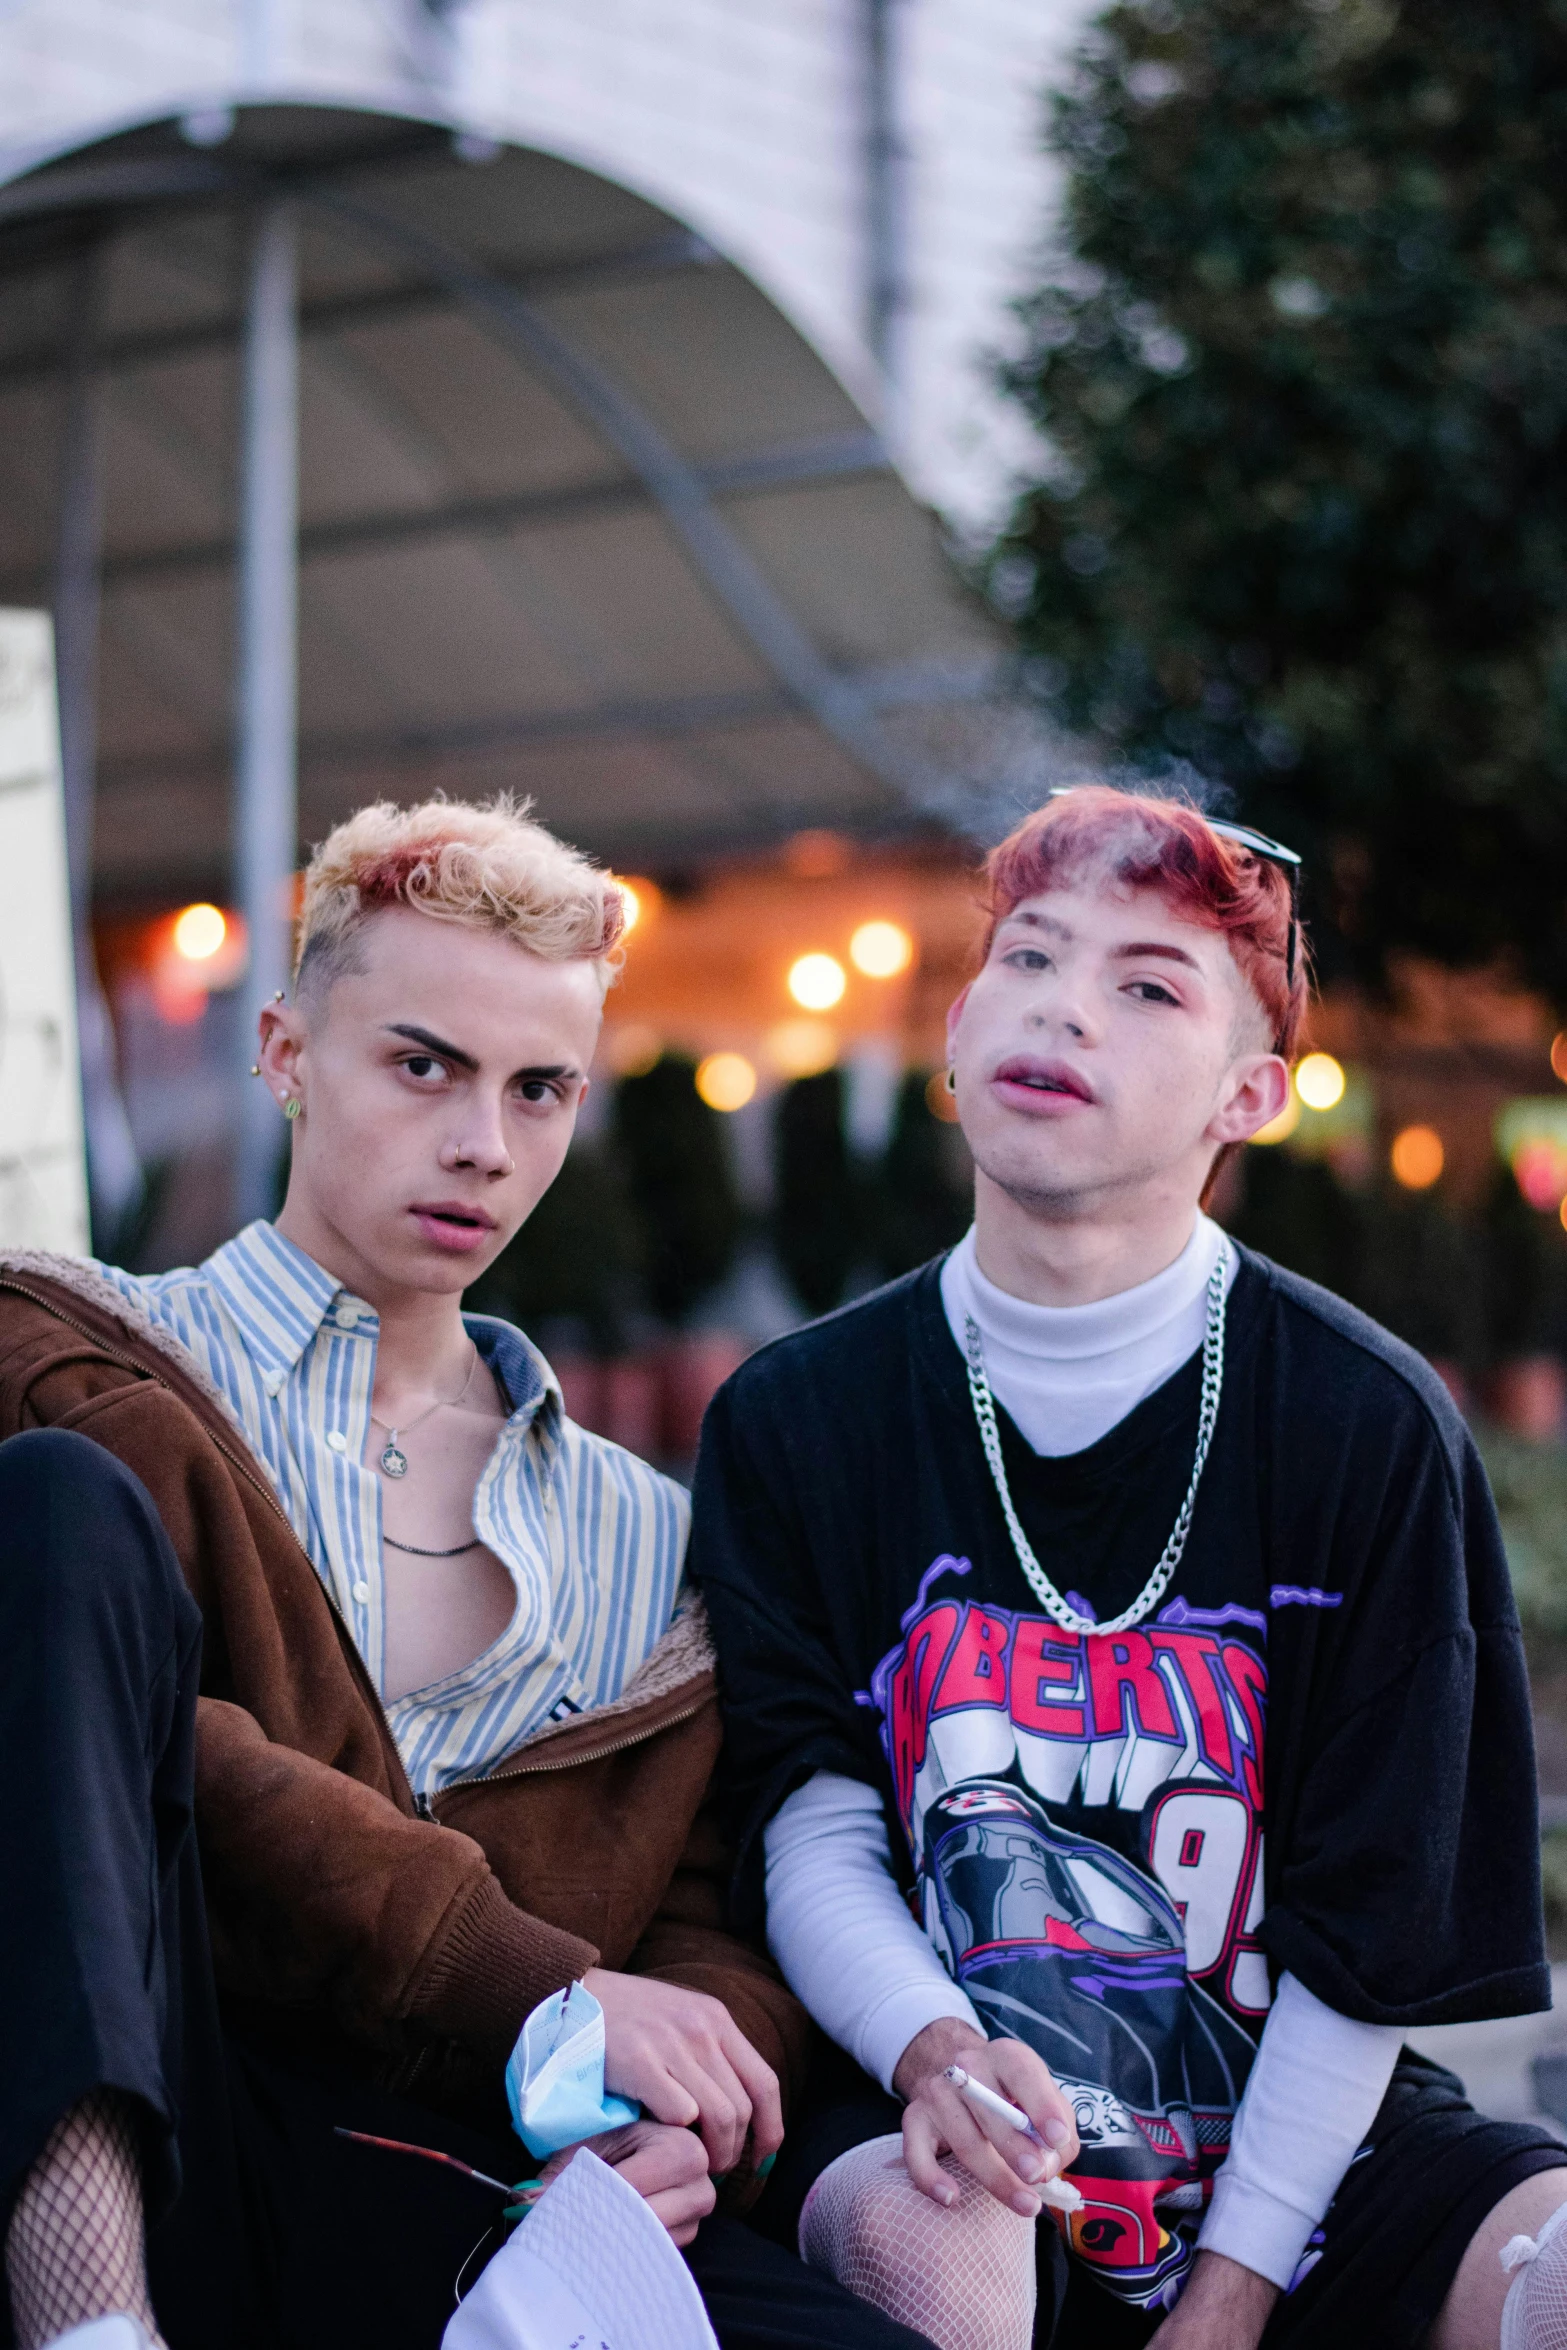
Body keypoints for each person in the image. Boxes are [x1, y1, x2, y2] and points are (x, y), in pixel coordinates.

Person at [0, 797, 931, 2350]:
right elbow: (127, 1752)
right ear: (287, 1050)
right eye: (421, 1063)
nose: (482, 1145)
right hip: (155, 2108)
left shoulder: (646, 1531)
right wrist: (539, 1986)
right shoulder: (79, 1360)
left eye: (539, 1087)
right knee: (54, 1514)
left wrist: (676, 2105)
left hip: (467, 2186)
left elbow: (710, 1916)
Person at [691, 783, 1567, 2350]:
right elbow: (804, 1820)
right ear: (957, 1033)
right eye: (1027, 958)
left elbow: (1368, 1941)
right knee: (938, 2238)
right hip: (940, 2107)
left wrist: (1227, 2296)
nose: (1061, 1008)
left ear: (1245, 1094)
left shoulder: (1363, 1425)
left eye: (1144, 983)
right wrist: (929, 2048)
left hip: (1314, 2139)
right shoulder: (797, 1414)